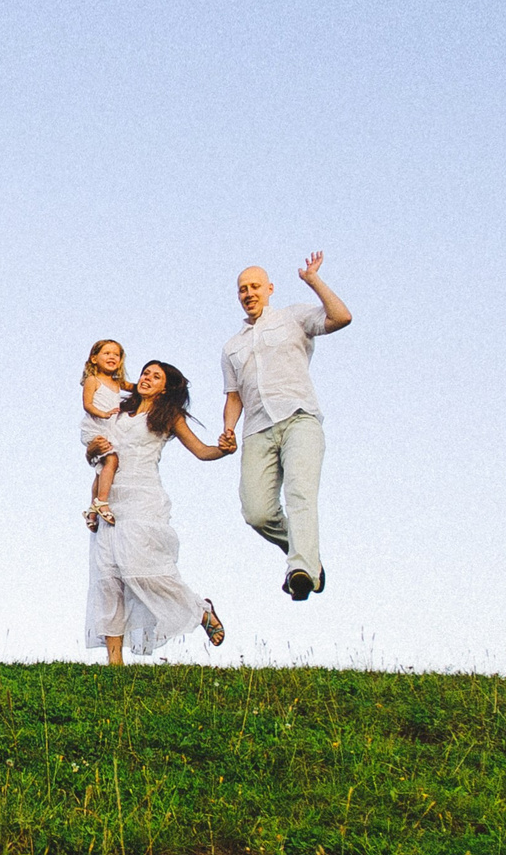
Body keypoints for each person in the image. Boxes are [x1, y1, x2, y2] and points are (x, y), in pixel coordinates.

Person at [221, 252, 352, 601]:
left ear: (270, 289)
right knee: (257, 512)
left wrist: (313, 281)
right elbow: (234, 396)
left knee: (299, 494)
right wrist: (229, 429)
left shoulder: (293, 317)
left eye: (255, 286)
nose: (249, 293)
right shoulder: (232, 347)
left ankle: (301, 569)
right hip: (257, 430)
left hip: (299, 418)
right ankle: (306, 555)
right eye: (242, 289)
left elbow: (341, 317)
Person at [83, 361, 229, 664]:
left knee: (139, 569)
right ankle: (114, 664)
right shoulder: (117, 412)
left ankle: (201, 610)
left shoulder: (168, 416)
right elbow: (99, 458)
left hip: (143, 498)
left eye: (156, 376)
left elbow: (202, 451)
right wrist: (92, 459)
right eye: (145, 373)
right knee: (108, 577)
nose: (147, 378)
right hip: (110, 499)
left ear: (165, 388)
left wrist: (224, 449)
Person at [79, 338, 134, 530]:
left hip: (110, 428)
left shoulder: (117, 382)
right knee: (111, 460)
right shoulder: (92, 380)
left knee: (102, 470)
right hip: (96, 426)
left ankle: (92, 511)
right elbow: (87, 404)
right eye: (107, 353)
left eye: (116, 355)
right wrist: (103, 414)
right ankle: (102, 502)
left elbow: (135, 388)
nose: (112, 357)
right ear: (94, 359)